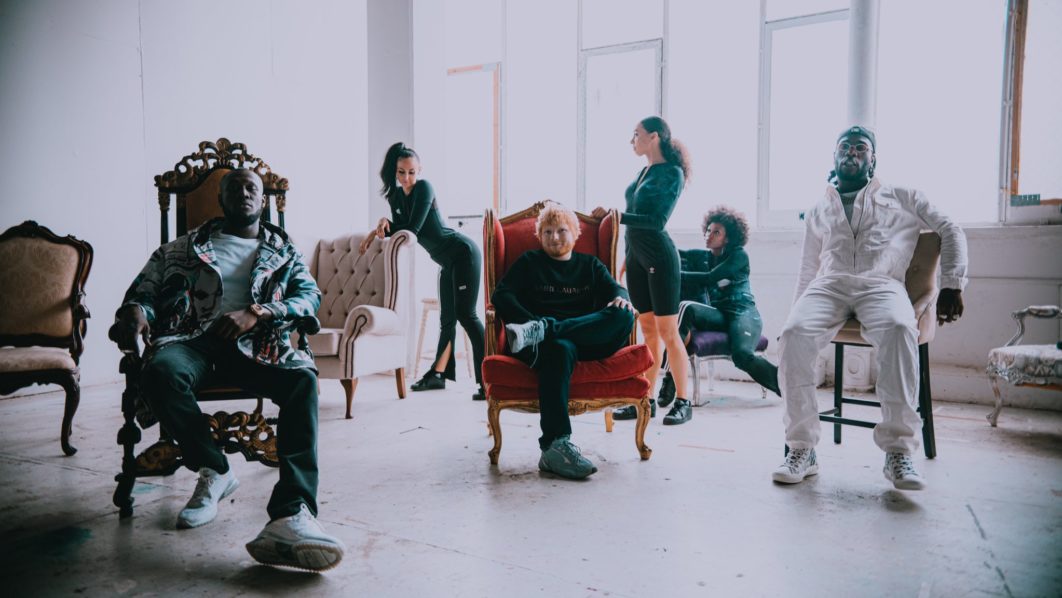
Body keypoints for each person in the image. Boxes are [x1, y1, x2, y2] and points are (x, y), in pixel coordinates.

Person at [113, 169, 345, 572]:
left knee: (303, 381)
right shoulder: (181, 249)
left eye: (251, 187)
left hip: (257, 344)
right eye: (233, 188)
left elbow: (309, 297)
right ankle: (215, 468)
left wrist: (259, 312)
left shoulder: (283, 250)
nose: (244, 192)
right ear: (219, 200)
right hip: (191, 341)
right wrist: (135, 312)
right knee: (160, 372)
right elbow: (144, 292)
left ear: (263, 199)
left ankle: (292, 513)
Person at [772, 126, 967, 490]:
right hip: (829, 285)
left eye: (860, 148)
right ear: (833, 157)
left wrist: (953, 284)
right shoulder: (819, 208)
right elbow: (808, 268)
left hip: (882, 284)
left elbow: (949, 227)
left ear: (873, 159)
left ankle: (899, 453)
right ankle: (802, 449)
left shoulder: (903, 196)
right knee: (793, 335)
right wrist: (795, 313)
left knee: (899, 329)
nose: (852, 152)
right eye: (844, 147)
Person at [492, 202, 637, 480]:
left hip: (584, 338)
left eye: (561, 230)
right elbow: (502, 295)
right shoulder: (530, 262)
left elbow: (616, 289)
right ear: (539, 236)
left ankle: (545, 329)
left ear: (575, 233)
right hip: (549, 347)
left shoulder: (589, 265)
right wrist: (528, 319)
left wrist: (622, 298)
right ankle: (555, 446)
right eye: (547, 232)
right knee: (559, 348)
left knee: (624, 315)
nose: (554, 237)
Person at [361, 142, 486, 401]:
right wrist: (385, 223)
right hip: (447, 263)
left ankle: (488, 381)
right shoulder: (395, 198)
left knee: (467, 315)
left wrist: (383, 227)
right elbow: (401, 226)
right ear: (395, 172)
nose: (406, 178)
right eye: (401, 172)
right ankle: (438, 375)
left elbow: (412, 230)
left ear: (419, 171)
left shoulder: (424, 188)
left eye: (411, 172)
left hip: (463, 254)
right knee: (447, 320)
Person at [593, 116, 693, 425]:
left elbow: (657, 221)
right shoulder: (642, 173)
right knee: (647, 330)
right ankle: (645, 400)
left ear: (655, 136)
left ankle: (683, 401)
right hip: (637, 257)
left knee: (668, 331)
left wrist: (617, 216)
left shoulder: (672, 173)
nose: (632, 140)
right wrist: (629, 255)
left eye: (636, 134)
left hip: (660, 258)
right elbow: (634, 219)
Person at [655, 206, 780, 407]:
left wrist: (674, 275)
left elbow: (710, 278)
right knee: (687, 307)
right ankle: (670, 377)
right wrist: (648, 248)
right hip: (720, 314)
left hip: (743, 313)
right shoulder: (705, 256)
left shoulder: (739, 255)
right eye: (708, 230)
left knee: (742, 356)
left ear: (728, 238)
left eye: (716, 232)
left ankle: (786, 385)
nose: (709, 235)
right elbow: (674, 253)